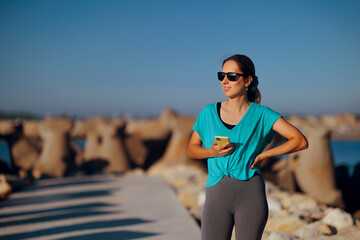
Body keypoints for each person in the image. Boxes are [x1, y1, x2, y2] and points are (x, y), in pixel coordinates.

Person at [188, 54, 309, 240]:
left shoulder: (263, 114)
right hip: (216, 195)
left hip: (250, 194)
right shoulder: (208, 112)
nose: (225, 81)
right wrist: (212, 152)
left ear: (247, 80)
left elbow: (299, 140)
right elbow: (192, 149)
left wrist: (265, 155)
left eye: (232, 76)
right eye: (222, 76)